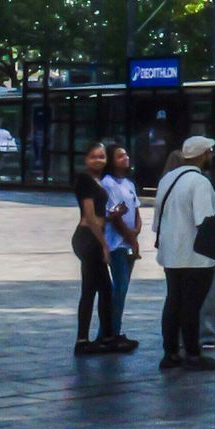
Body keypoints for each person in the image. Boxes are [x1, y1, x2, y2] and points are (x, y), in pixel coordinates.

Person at [154, 138, 215, 370]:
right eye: (210, 151)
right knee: (192, 305)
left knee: (173, 301)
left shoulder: (167, 179)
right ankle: (192, 353)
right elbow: (205, 221)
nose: (212, 155)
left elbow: (157, 220)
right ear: (203, 154)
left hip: (170, 252)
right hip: (196, 255)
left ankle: (170, 352)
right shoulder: (199, 182)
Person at [71, 141, 117, 355]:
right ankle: (83, 339)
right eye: (93, 157)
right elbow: (89, 216)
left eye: (101, 156)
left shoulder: (98, 180)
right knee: (92, 289)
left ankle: (106, 336)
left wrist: (111, 216)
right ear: (85, 159)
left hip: (94, 237)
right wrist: (104, 244)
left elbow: (99, 215)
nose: (98, 160)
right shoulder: (84, 180)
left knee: (104, 289)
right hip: (88, 238)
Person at [99, 145, 142, 350]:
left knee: (122, 289)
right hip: (117, 242)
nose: (125, 157)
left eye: (126, 153)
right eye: (120, 155)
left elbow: (136, 209)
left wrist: (136, 232)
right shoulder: (107, 184)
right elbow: (115, 215)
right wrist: (129, 235)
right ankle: (111, 332)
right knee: (120, 287)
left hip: (128, 241)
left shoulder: (129, 183)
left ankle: (110, 330)